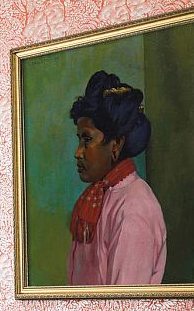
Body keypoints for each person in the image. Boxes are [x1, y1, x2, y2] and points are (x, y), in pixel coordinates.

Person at [67, 70, 167, 286]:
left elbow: (126, 304)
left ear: (116, 144)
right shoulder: (98, 196)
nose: (78, 152)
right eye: (79, 140)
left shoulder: (134, 207)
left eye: (87, 140)